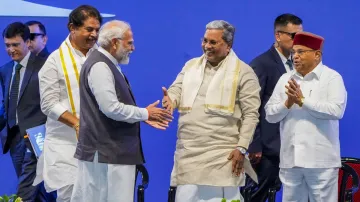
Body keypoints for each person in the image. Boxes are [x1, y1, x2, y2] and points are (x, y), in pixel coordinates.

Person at [70, 20, 173, 202]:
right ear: (115, 43)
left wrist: (140, 117)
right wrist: (145, 114)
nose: (133, 48)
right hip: (107, 155)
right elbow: (110, 108)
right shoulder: (100, 66)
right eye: (129, 43)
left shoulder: (105, 63)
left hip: (109, 154)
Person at [162, 20, 260, 202]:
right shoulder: (191, 66)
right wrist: (171, 99)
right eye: (205, 40)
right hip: (189, 154)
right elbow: (176, 88)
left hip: (222, 155)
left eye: (213, 42)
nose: (207, 46)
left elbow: (251, 115)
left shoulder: (244, 73)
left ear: (228, 46)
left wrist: (242, 147)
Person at [265, 31, 347, 202]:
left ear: (317, 55)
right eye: (294, 52)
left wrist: (303, 101)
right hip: (291, 161)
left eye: (301, 52)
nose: (295, 56)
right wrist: (287, 104)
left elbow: (336, 111)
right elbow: (270, 115)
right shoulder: (285, 79)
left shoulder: (332, 78)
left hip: (321, 162)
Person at [35, 5, 102, 202]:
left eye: (97, 30)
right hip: (66, 146)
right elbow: (48, 104)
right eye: (89, 29)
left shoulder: (103, 58)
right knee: (72, 197)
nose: (94, 35)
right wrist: (77, 123)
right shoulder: (54, 61)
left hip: (99, 144)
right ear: (72, 28)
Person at [246, 14, 303, 201]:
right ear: (278, 35)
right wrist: (254, 145)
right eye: (293, 36)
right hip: (267, 149)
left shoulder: (299, 64)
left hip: (291, 146)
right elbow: (251, 106)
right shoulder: (261, 64)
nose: (298, 41)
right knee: (258, 196)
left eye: (300, 36)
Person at [0, 22, 51, 202]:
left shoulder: (45, 66)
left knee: (26, 193)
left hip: (38, 140)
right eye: (7, 45)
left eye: (15, 44)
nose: (11, 49)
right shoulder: (5, 70)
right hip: (14, 140)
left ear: (27, 43)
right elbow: (7, 105)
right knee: (40, 194)